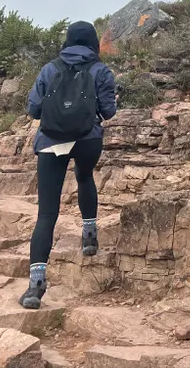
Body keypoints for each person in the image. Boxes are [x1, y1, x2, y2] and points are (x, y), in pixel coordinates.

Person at [20, 21, 117, 309]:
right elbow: (108, 112)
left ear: (68, 41)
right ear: (93, 42)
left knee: (46, 213)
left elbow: (33, 109)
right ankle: (89, 238)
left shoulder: (50, 69)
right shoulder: (100, 70)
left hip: (51, 142)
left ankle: (35, 287)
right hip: (88, 140)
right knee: (84, 177)